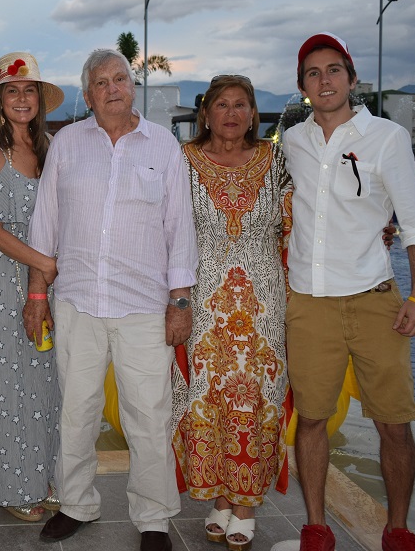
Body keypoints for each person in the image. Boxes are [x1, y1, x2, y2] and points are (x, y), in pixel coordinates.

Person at [25, 49, 197, 551]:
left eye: (120, 78)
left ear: (133, 86)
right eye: (101, 82)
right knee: (77, 410)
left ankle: (153, 519)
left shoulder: (164, 147)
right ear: (88, 95)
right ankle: (76, 503)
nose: (112, 87)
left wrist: (180, 302)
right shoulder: (67, 145)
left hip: (144, 305)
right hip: (76, 300)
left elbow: (179, 230)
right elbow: (46, 224)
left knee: (149, 414)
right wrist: (37, 293)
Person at [283, 33, 415, 551]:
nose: (323, 81)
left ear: (350, 77)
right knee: (313, 420)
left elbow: (414, 222)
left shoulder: (387, 138)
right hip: (308, 302)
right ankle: (316, 526)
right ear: (302, 86)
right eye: (312, 73)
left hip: (374, 299)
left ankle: (398, 529)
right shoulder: (293, 144)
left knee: (394, 421)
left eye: (332, 71)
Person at [170, 75, 292, 551]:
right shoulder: (184, 161)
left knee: (258, 396)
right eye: (222, 104)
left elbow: (305, 219)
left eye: (241, 104)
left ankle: (246, 506)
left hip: (263, 301)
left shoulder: (276, 159)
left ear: (254, 112)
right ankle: (220, 497)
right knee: (209, 394)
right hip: (204, 301)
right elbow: (165, 226)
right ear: (206, 113)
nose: (232, 113)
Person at [0, 52, 64, 521]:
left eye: (29, 90)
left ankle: (40, 477)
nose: (22, 99)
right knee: (10, 385)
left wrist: (47, 273)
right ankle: (12, 486)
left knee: (45, 385)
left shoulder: (50, 147)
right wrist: (44, 263)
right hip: (9, 283)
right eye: (13, 90)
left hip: (47, 282)